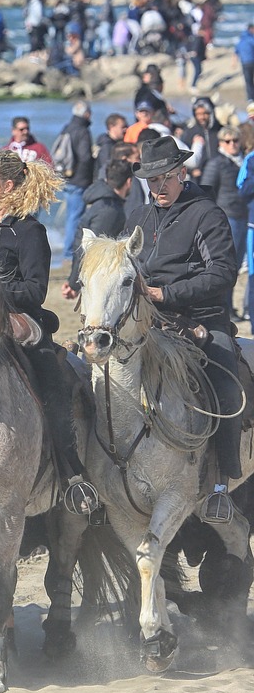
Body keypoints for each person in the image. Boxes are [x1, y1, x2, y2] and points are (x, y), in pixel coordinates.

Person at [0, 149, 93, 519]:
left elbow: (36, 290)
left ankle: (72, 473)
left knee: (53, 384)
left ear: (7, 186)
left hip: (24, 322)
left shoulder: (30, 230)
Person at [127, 137, 241, 523]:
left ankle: (222, 485)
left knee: (227, 390)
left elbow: (223, 273)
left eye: (164, 179)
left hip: (202, 319)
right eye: (151, 180)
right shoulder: (138, 218)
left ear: (181, 173)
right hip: (147, 321)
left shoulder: (207, 214)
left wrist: (168, 293)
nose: (158, 187)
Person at [62, 159, 134, 299]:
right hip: (97, 280)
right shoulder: (110, 211)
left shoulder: (102, 202)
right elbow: (89, 250)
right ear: (129, 182)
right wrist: (74, 284)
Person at [201, 127, 248, 276]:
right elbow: (205, 192)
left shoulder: (245, 161)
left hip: (244, 216)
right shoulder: (216, 163)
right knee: (227, 266)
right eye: (228, 141)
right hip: (227, 217)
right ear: (221, 143)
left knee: (238, 264)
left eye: (235, 140)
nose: (232, 144)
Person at [58, 101, 95, 260]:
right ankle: (69, 253)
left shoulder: (67, 127)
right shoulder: (83, 130)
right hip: (79, 180)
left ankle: (68, 251)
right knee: (75, 218)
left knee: (70, 217)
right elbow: (85, 157)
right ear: (86, 114)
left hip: (67, 177)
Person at [181, 96, 221, 182]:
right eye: (198, 114)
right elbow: (182, 157)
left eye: (205, 113)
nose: (201, 117)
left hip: (220, 176)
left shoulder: (220, 131)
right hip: (198, 178)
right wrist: (191, 171)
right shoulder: (189, 133)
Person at [95, 113, 128, 180]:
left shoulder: (116, 143)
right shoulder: (107, 146)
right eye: (123, 127)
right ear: (112, 127)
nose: (126, 129)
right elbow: (106, 168)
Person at [238, 23, 254, 104]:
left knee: (248, 81)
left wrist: (233, 62)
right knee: (249, 80)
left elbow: (236, 51)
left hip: (244, 63)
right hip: (251, 62)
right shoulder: (251, 39)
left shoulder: (241, 40)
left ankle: (250, 98)